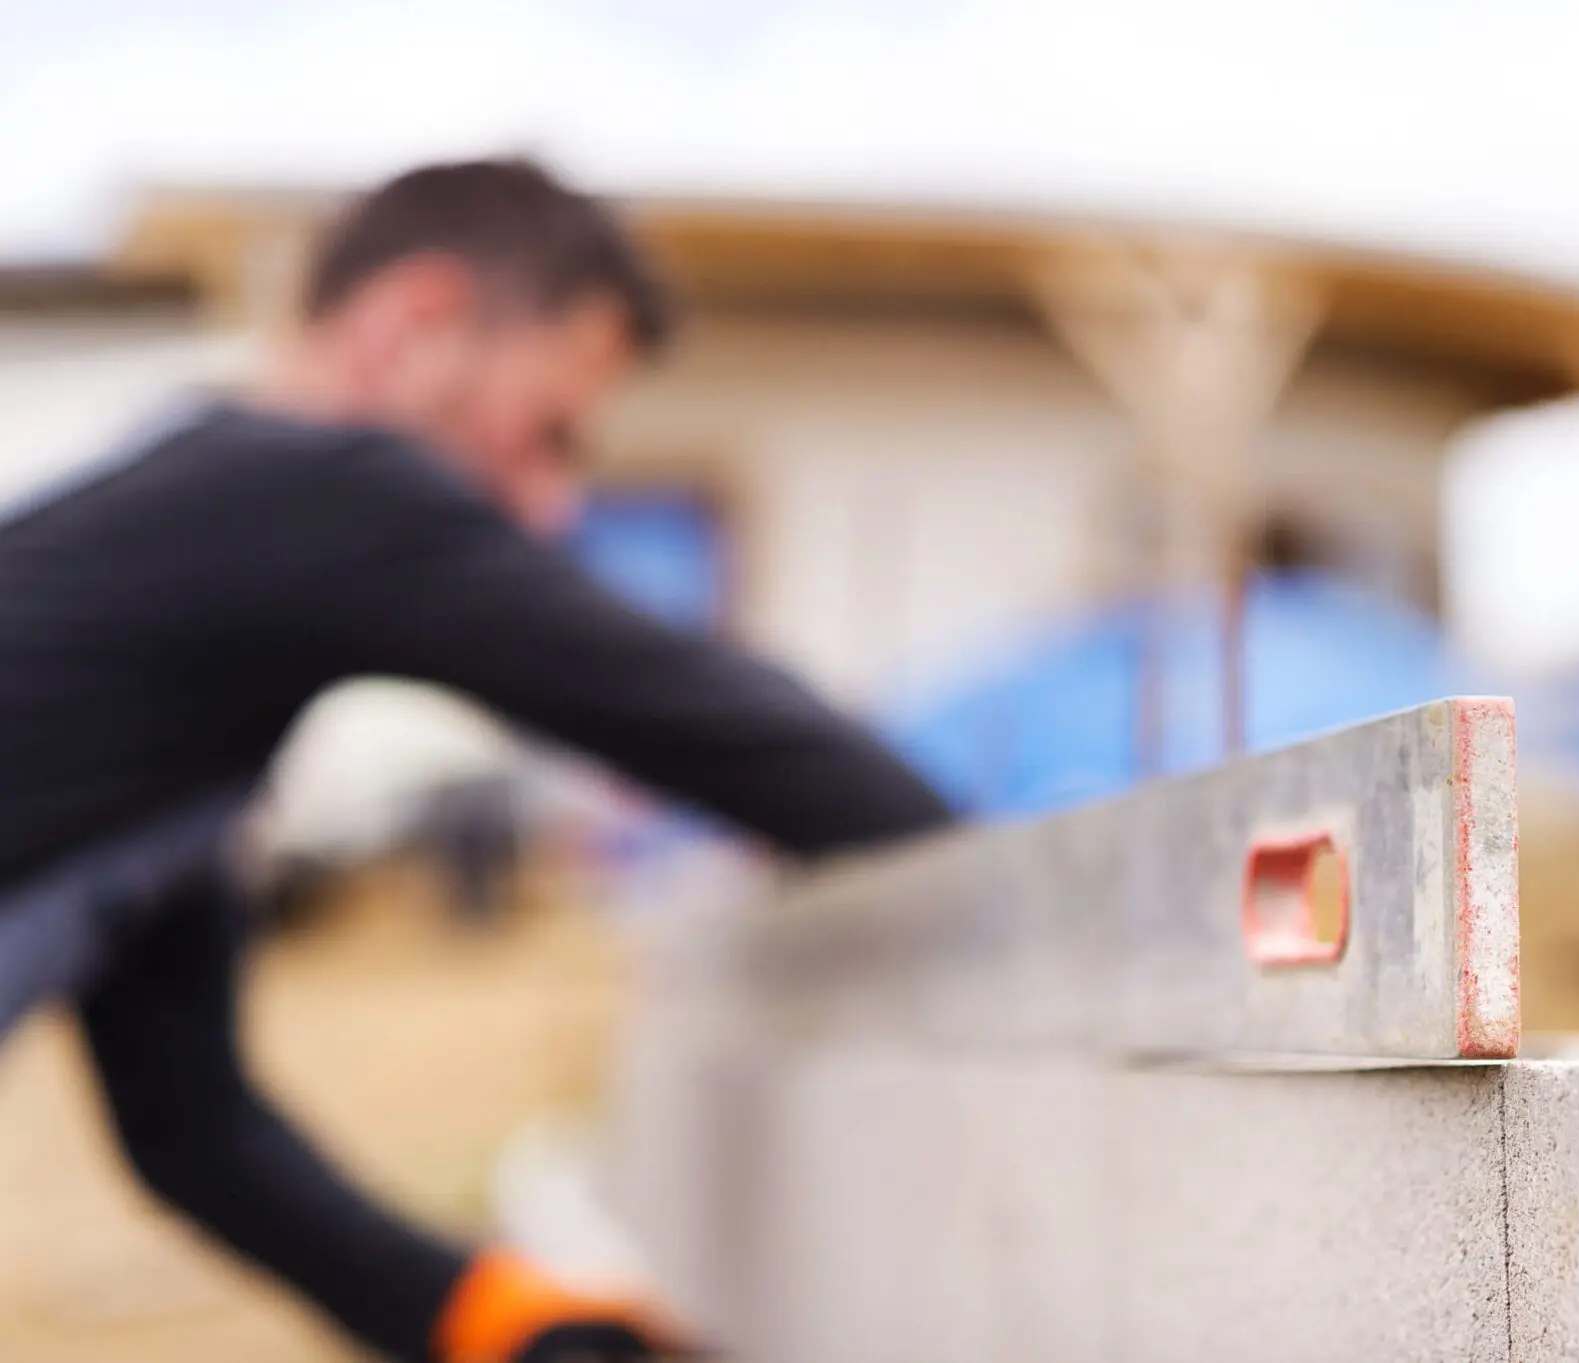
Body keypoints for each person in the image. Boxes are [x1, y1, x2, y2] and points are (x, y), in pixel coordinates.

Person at [0, 160, 955, 1362]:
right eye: (547, 433)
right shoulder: (317, 489)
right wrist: (1018, 882)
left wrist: (512, 1327)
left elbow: (198, 1134)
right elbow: (725, 726)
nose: (549, 508)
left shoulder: (155, 694)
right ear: (418, 325)